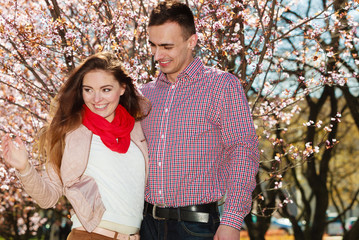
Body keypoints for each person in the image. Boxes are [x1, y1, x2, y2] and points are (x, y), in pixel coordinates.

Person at [139, 1, 260, 239]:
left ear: (191, 42)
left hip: (196, 228)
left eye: (167, 46)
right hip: (145, 226)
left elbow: (244, 151)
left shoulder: (222, 86)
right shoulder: (144, 95)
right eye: (153, 45)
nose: (157, 55)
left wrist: (233, 221)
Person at [1, 52, 150, 240]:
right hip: (89, 235)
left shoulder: (137, 129)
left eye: (105, 89)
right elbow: (48, 197)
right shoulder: (70, 133)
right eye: (88, 90)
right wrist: (24, 168)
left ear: (122, 88)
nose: (97, 99)